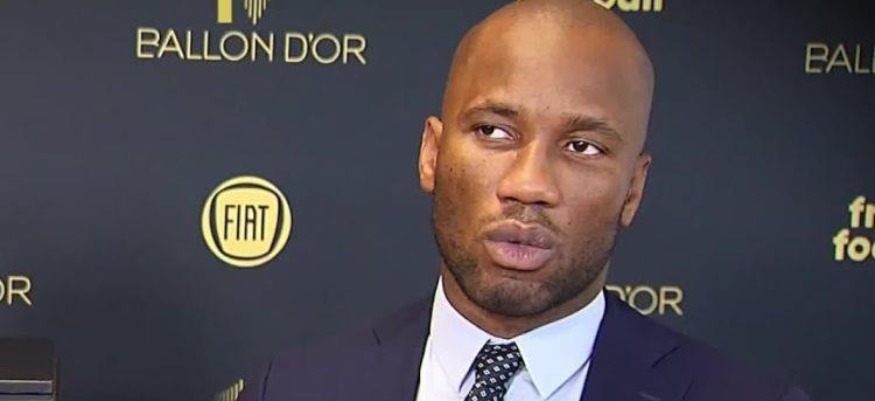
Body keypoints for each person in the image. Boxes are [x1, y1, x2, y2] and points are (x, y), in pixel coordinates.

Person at [237, 1, 811, 400]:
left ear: (633, 189)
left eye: (583, 146)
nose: (529, 184)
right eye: (494, 132)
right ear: (432, 154)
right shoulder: (291, 390)